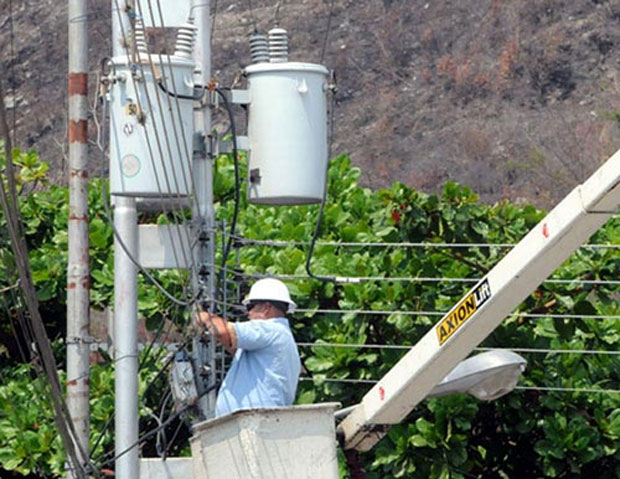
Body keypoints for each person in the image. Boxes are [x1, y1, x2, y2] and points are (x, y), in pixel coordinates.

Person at [197, 278, 301, 417]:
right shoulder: (278, 335)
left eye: (250, 306)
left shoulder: (269, 329)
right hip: (255, 422)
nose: (248, 313)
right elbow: (230, 342)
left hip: (255, 424)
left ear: (266, 308)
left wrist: (204, 317)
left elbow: (223, 331)